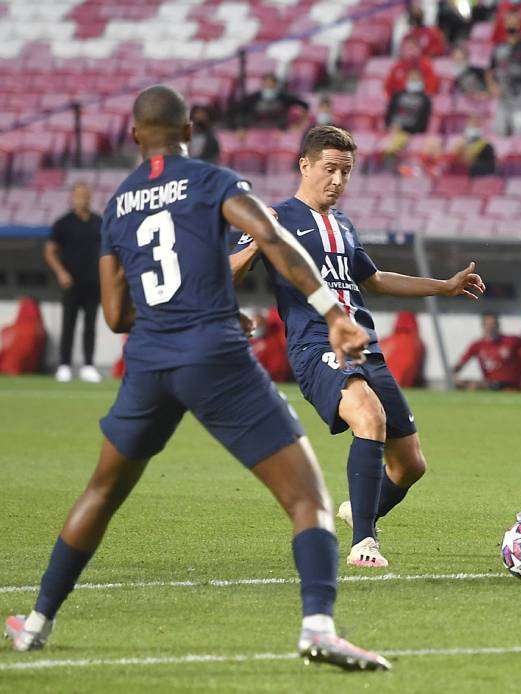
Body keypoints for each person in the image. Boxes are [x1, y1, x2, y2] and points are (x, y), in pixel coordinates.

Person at [4, 86, 389, 670]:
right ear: (189, 128)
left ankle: (34, 625)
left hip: (150, 362)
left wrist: (188, 308)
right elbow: (272, 238)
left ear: (134, 135)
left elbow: (115, 316)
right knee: (308, 497)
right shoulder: (212, 181)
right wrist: (334, 312)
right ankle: (318, 627)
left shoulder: (117, 205)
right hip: (214, 357)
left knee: (102, 492)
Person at [229, 125, 485, 569]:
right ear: (304, 165)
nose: (338, 181)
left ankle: (358, 510)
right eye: (330, 169)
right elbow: (226, 272)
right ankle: (363, 543)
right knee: (368, 416)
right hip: (315, 345)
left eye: (346, 173)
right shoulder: (276, 217)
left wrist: (444, 286)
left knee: (410, 466)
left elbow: (375, 279)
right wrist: (257, 243)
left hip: (365, 348)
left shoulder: (343, 225)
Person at [45, 182, 102, 384]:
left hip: (93, 282)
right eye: (79, 195)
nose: (82, 199)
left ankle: (88, 365)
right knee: (68, 324)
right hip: (71, 283)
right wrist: (61, 273)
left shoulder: (98, 222)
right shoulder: (63, 223)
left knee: (90, 325)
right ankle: (64, 365)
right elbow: (50, 251)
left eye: (86, 195)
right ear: (72, 197)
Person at [488, 13, 521, 137]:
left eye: (514, 22)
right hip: (504, 101)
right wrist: (493, 87)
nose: (511, 25)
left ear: (519, 25)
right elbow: (490, 72)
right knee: (500, 134)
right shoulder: (499, 48)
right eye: (509, 22)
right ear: (505, 24)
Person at [452, 313, 521, 390]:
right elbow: (461, 363)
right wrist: (452, 374)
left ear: (498, 325)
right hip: (491, 383)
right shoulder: (478, 345)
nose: (491, 327)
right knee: (468, 385)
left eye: (493, 324)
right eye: (488, 324)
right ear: (483, 326)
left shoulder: (511, 340)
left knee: (476, 386)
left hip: (511, 383)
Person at [236, 74, 308, 129]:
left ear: (275, 84)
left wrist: (299, 124)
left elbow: (304, 105)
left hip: (279, 129)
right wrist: (241, 127)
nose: (268, 85)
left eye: (271, 83)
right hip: (256, 128)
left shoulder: (283, 96)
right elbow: (240, 110)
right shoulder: (254, 97)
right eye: (266, 83)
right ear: (263, 83)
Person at [385, 68, 433, 135]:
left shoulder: (425, 99)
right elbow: (389, 114)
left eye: (416, 80)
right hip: (393, 129)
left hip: (412, 133)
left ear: (422, 81)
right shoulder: (397, 95)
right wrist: (390, 126)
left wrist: (404, 129)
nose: (414, 82)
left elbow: (423, 122)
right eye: (412, 80)